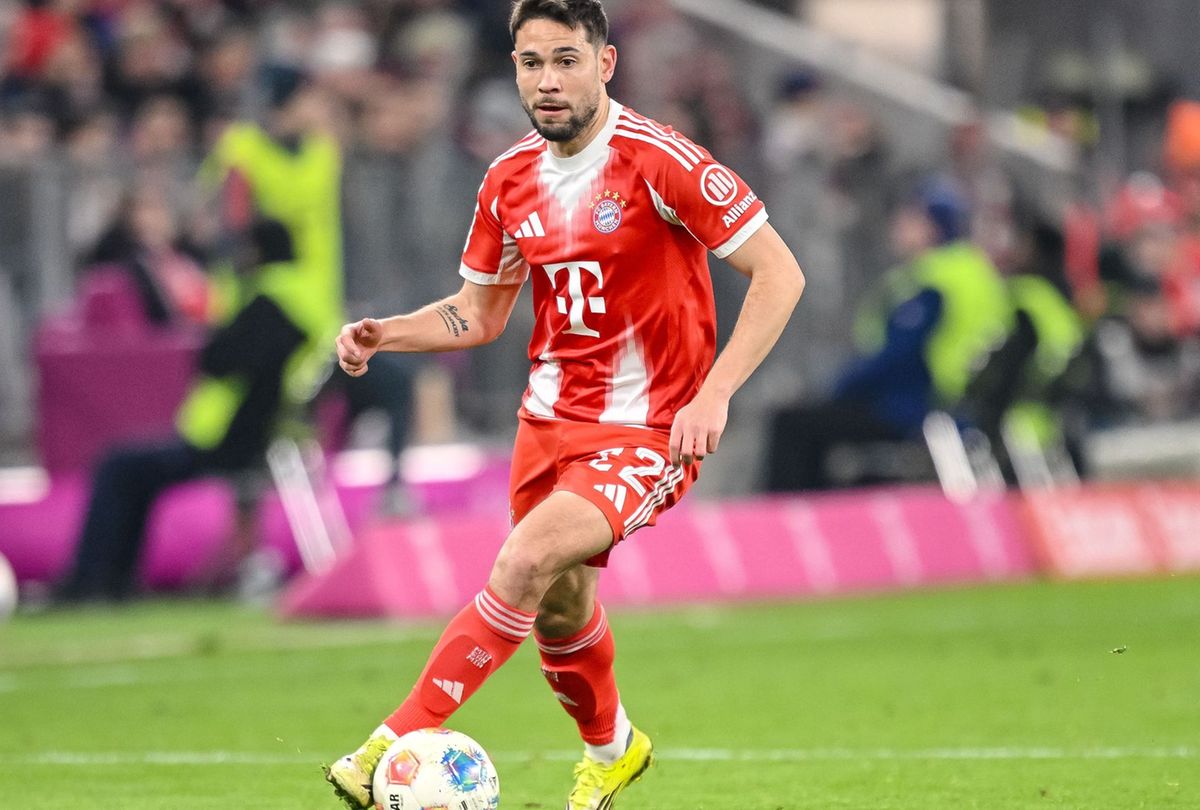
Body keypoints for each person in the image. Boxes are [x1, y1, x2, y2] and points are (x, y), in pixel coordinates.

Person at [324, 2, 806, 808]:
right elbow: (478, 314)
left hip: (650, 428)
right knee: (558, 608)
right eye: (530, 63)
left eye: (565, 60)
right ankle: (615, 749)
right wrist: (388, 336)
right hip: (547, 424)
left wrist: (714, 393)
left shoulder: (661, 161)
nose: (547, 81)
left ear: (605, 64)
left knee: (521, 562)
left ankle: (386, 745)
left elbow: (780, 272)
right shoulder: (508, 178)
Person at [53, 219, 309, 602]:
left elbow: (217, 359)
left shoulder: (264, 303)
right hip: (252, 440)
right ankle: (116, 583)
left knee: (117, 466)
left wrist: (221, 313)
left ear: (257, 252)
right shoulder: (301, 299)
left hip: (223, 441)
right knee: (133, 475)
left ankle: (90, 581)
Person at [763, 180, 1011, 492]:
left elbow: (897, 357)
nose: (898, 226)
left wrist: (837, 390)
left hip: (915, 406)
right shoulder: (974, 272)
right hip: (958, 405)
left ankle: (790, 521)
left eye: (909, 218)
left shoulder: (933, 282)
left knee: (791, 425)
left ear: (931, 227)